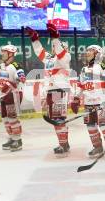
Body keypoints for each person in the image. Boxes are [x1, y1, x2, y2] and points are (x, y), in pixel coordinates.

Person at [26, 24, 72, 157]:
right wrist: (34, 39)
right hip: (51, 90)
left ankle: (63, 144)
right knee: (55, 119)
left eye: (56, 46)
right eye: (53, 46)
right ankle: (64, 142)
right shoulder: (50, 59)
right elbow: (39, 51)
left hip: (59, 89)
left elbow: (60, 52)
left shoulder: (65, 57)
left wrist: (55, 37)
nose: (54, 48)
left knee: (58, 119)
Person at [71, 45, 105, 159]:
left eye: (90, 51)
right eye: (87, 51)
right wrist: (76, 99)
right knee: (91, 127)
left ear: (97, 54)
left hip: (102, 103)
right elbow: (80, 86)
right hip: (88, 103)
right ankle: (97, 147)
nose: (87, 53)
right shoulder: (84, 69)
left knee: (104, 126)